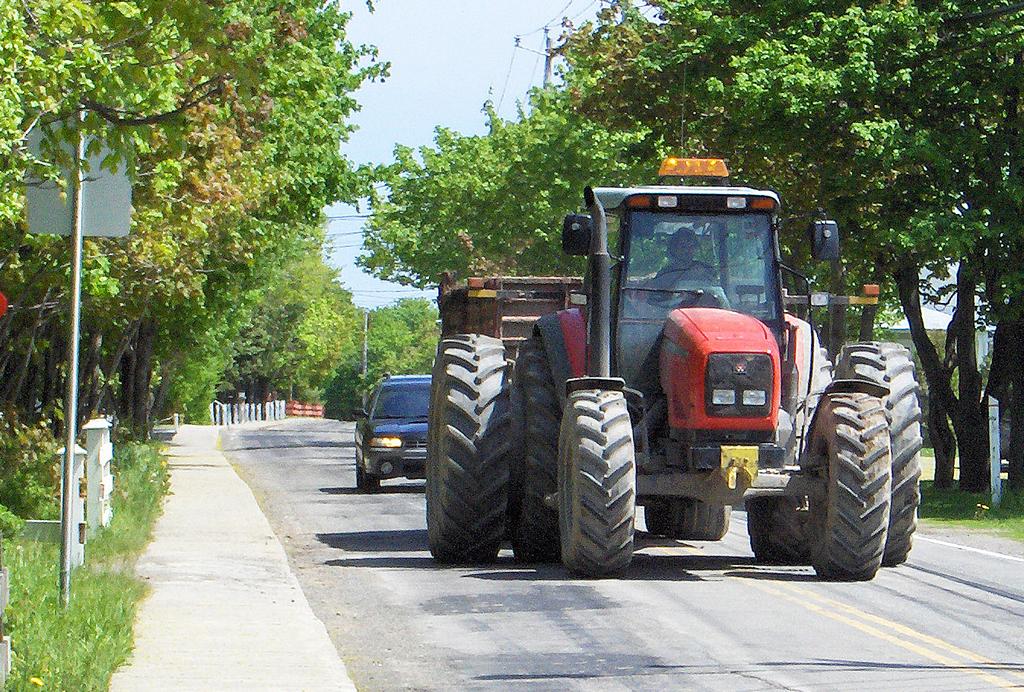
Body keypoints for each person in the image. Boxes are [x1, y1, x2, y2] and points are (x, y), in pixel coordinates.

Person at [647, 226, 717, 290]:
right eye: (683, 246)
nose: (687, 250)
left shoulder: (706, 270)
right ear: (674, 248)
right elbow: (657, 297)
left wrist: (703, 275)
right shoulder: (664, 274)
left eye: (691, 246)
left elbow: (716, 290)